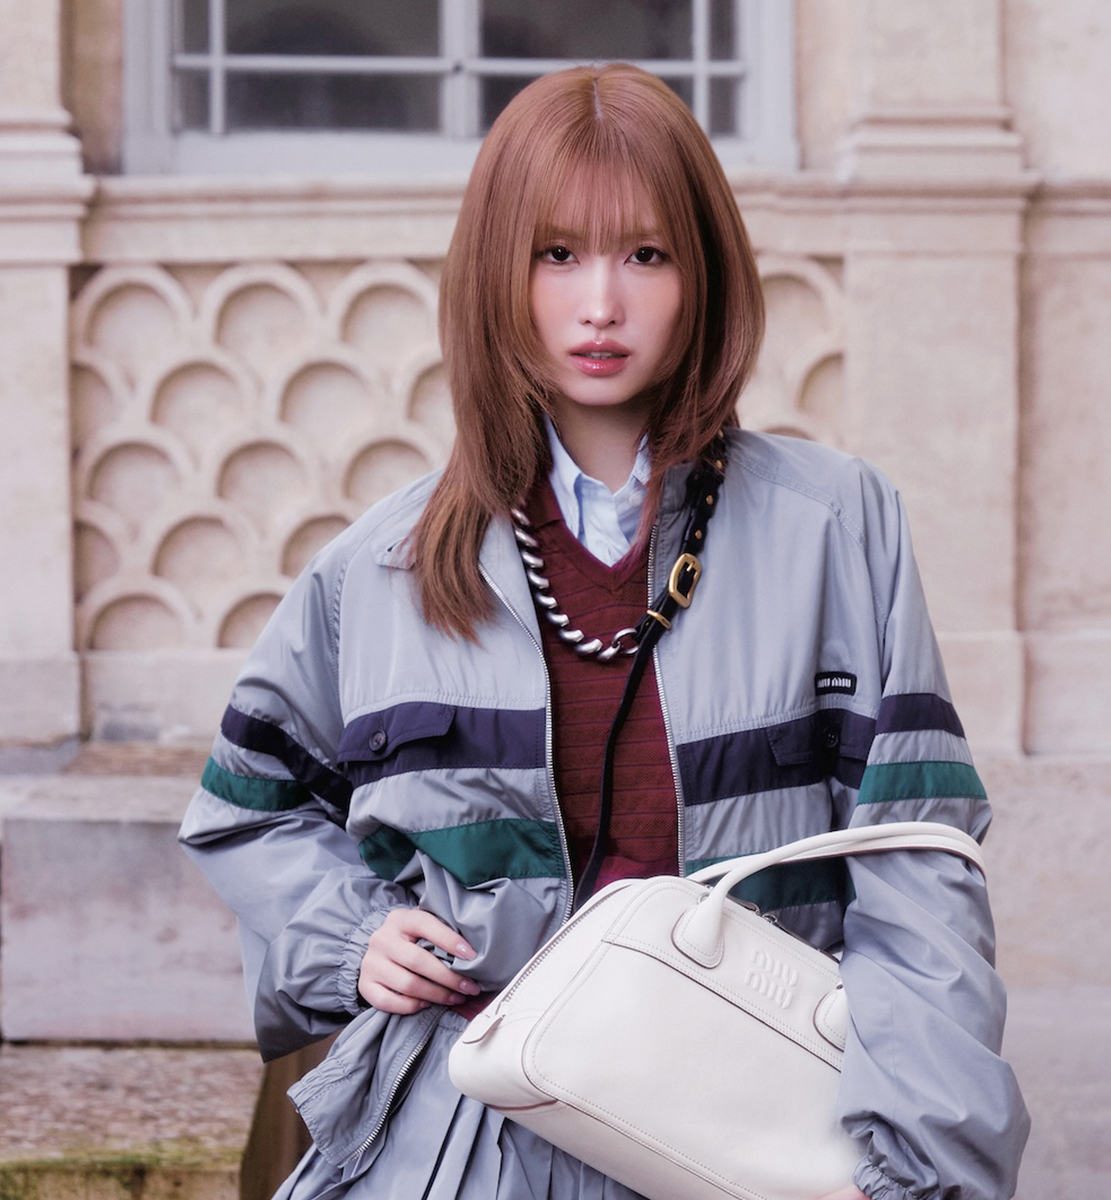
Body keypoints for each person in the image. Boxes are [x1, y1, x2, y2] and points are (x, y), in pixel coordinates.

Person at [180, 63, 1029, 1200]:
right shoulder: (377, 571)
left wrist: (920, 1173)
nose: (599, 305)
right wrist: (349, 936)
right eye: (555, 254)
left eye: (646, 255)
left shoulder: (834, 527)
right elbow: (248, 810)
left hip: (737, 1130)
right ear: (497, 272)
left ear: (704, 274)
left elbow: (917, 870)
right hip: (461, 1142)